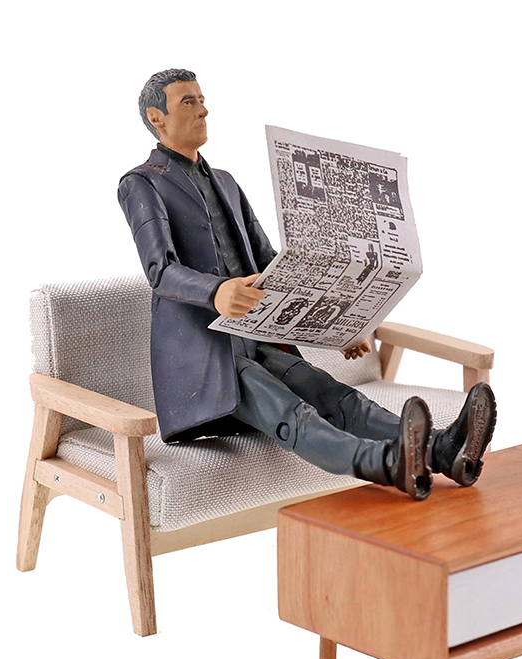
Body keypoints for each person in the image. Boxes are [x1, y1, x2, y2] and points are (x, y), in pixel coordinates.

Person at [117, 68, 496, 500]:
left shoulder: (224, 181)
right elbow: (160, 271)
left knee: (336, 396)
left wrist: (339, 325)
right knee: (292, 412)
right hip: (205, 361)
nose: (203, 110)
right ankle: (390, 464)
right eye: (188, 102)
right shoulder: (141, 183)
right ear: (157, 117)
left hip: (255, 341)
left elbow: (272, 264)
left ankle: (445, 451)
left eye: (202, 99)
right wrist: (216, 291)